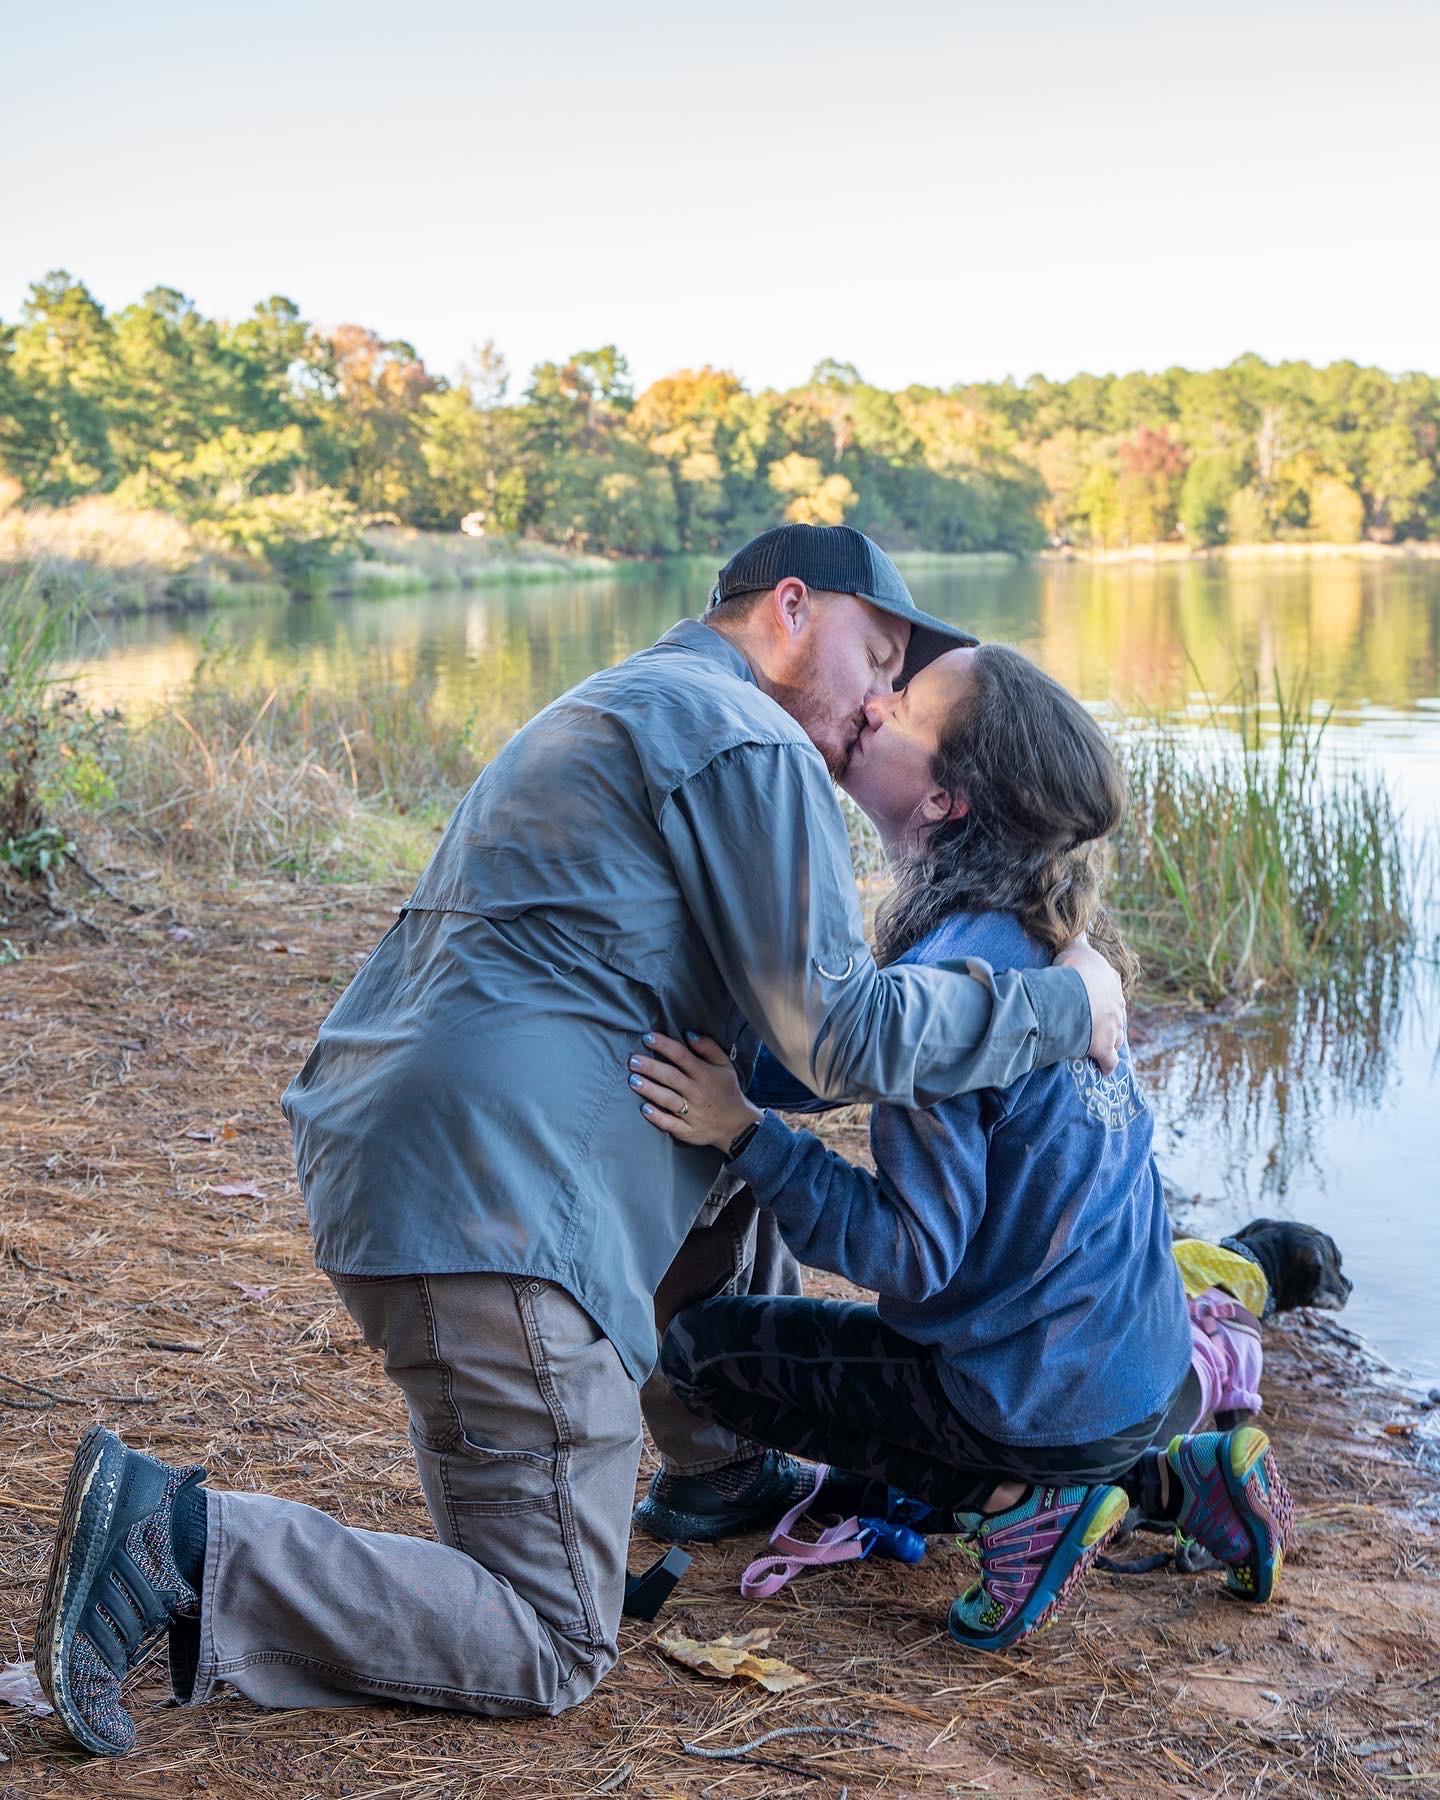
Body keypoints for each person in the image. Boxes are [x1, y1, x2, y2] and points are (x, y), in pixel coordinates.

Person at [34, 526, 1128, 1756]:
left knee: (733, 1142)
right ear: (791, 609)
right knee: (549, 1639)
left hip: (428, 1151)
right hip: (492, 1213)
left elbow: (767, 1060)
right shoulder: (747, 739)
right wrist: (1060, 1003)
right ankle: (181, 1542)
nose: (880, 701)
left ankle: (715, 1468)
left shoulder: (634, 701)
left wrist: (769, 1118)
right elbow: (838, 1039)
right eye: (875, 656)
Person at [633, 642, 1295, 1652]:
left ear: (945, 798)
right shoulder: (1046, 939)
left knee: (702, 1357)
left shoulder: (949, 993)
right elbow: (843, 1056)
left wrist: (745, 1135)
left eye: (907, 704)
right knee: (852, 1386)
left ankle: (1015, 1504)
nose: (878, 703)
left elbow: (912, 1256)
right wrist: (748, 1067)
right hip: (1144, 1379)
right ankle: (1169, 1483)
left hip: (1034, 1403)